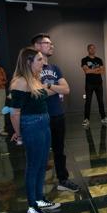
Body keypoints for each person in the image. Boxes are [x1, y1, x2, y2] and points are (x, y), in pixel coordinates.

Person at [9, 47, 60, 213]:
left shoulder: (34, 79)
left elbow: (46, 94)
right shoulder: (20, 82)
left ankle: (39, 199)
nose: (44, 62)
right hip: (31, 125)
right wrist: (19, 133)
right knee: (33, 166)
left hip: (43, 122)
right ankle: (32, 206)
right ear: (28, 62)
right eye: (39, 60)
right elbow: (14, 112)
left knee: (42, 164)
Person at [32, 33, 80, 192]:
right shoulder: (31, 69)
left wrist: (48, 87)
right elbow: (36, 93)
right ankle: (37, 188)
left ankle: (63, 180)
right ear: (37, 46)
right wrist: (50, 88)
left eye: (52, 44)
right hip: (40, 116)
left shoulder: (55, 68)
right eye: (47, 43)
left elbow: (66, 89)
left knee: (59, 150)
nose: (51, 46)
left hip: (58, 114)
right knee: (40, 152)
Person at [81, 44, 107, 127]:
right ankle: (86, 119)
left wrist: (91, 70)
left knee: (100, 101)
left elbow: (102, 71)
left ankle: (103, 118)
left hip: (99, 83)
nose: (93, 50)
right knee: (88, 102)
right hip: (89, 84)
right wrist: (97, 69)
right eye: (91, 48)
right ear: (88, 50)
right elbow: (86, 71)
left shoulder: (99, 60)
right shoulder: (84, 60)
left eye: (94, 48)